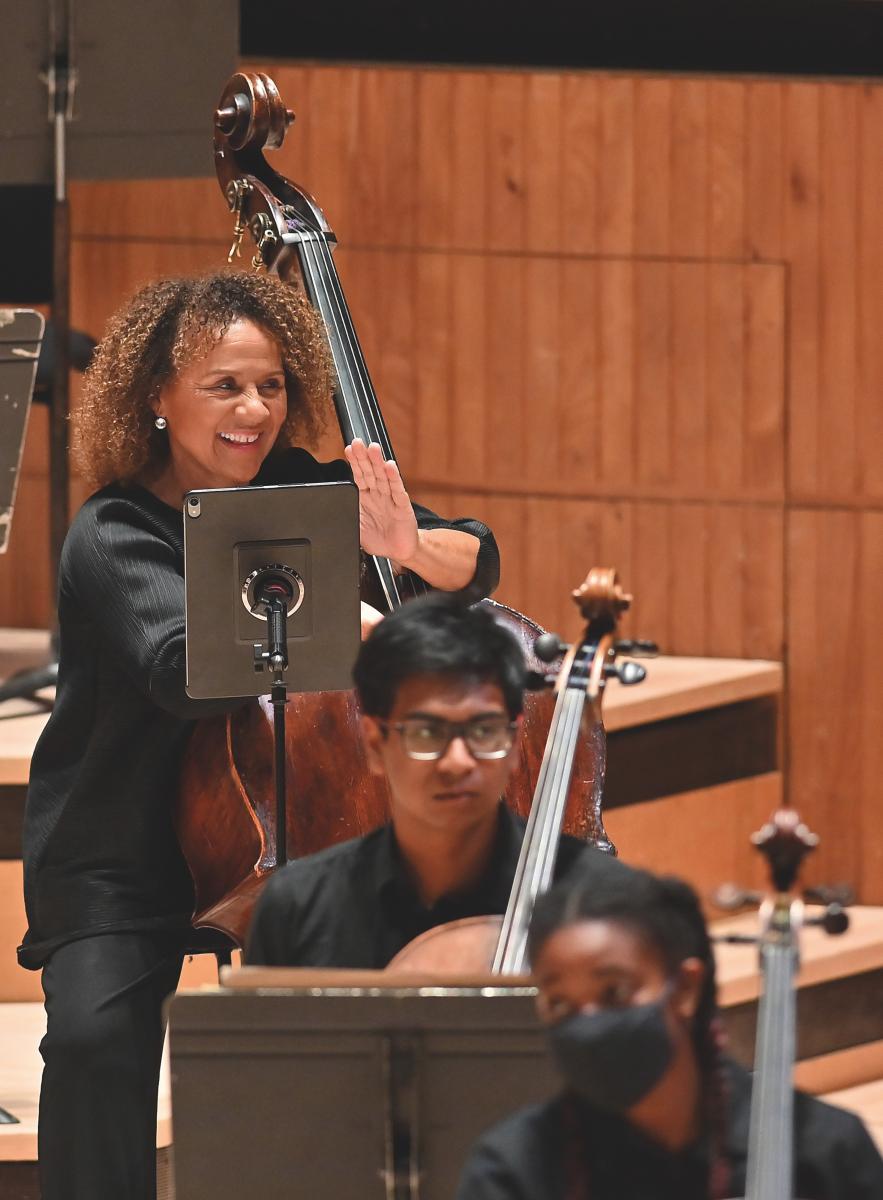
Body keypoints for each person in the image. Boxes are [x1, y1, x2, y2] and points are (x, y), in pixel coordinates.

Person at [18, 269, 500, 1200]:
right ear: (156, 396)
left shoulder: (298, 487)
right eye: (224, 385)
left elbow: (473, 559)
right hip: (119, 849)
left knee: (334, 1040)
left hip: (284, 824)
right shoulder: (114, 532)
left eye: (271, 385)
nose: (254, 409)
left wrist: (404, 549)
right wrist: (348, 627)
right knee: (93, 1043)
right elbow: (182, 669)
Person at [455, 863, 883, 1200]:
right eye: (559, 1003)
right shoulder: (512, 1174)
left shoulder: (824, 1152)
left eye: (615, 992)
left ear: (686, 989)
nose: (587, 1022)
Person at [246, 593, 617, 969]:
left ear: (516, 741)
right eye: (427, 734)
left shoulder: (601, 900)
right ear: (376, 744)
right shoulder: (297, 910)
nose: (457, 762)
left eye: (484, 731)